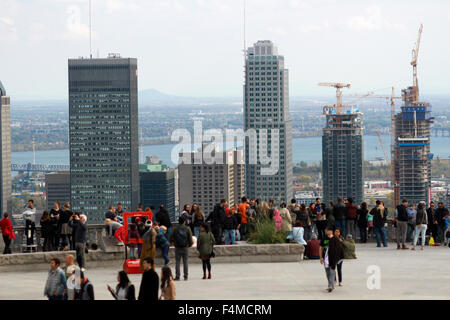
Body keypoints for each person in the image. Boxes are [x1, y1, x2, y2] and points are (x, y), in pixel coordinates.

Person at [320, 227, 344, 293]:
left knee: (332, 271)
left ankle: (331, 286)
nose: (325, 231)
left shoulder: (335, 239)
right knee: (327, 272)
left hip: (333, 258)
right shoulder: (324, 238)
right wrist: (321, 257)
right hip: (325, 258)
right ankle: (330, 284)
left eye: (326, 230)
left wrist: (338, 258)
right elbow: (321, 247)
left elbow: (339, 249)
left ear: (330, 231)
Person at [170, 216, 193, 281]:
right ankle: (185, 276)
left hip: (177, 247)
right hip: (185, 247)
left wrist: (174, 243)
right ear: (184, 221)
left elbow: (171, 238)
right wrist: (188, 245)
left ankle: (177, 276)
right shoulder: (187, 228)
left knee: (177, 262)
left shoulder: (175, 228)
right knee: (185, 262)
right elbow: (190, 239)